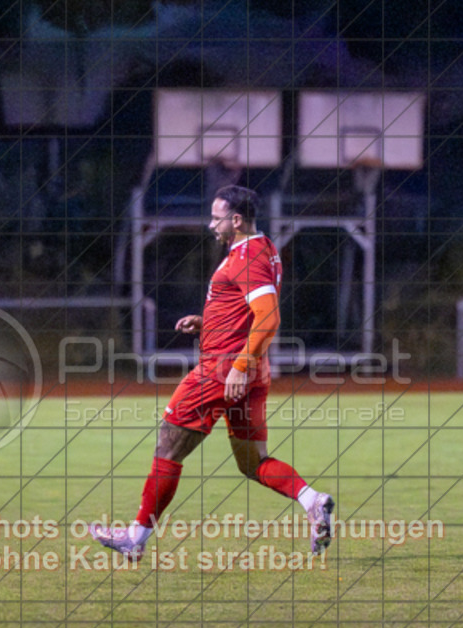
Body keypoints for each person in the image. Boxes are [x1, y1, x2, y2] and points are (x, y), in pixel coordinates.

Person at [90, 184, 334, 559]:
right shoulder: (263, 247)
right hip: (247, 369)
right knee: (253, 463)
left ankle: (135, 539)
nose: (210, 225)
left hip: (221, 370)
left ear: (236, 220)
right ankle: (311, 499)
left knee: (168, 446)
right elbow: (247, 311)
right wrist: (208, 323)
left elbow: (268, 318)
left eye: (216, 218)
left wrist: (238, 365)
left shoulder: (247, 256)